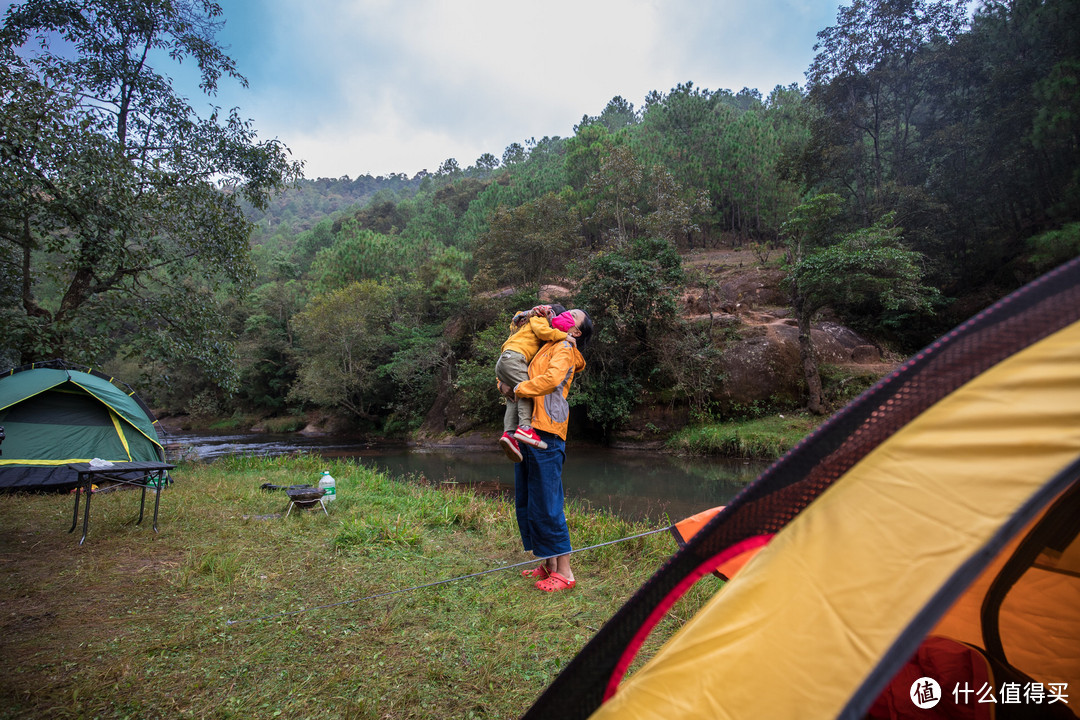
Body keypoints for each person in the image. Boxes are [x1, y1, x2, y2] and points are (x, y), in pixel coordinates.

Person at [501, 308, 592, 592]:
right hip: (526, 430)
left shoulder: (565, 347)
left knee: (548, 502)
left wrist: (517, 389)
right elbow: (515, 339)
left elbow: (551, 381)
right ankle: (548, 564)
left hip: (547, 430)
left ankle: (564, 572)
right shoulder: (543, 343)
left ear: (576, 332)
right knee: (529, 500)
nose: (565, 313)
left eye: (573, 315)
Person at [496, 304, 577, 462]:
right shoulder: (540, 322)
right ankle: (524, 428)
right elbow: (535, 328)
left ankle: (510, 434)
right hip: (533, 427)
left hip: (506, 360)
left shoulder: (559, 347)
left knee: (515, 396)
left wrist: (514, 387)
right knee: (524, 391)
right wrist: (504, 385)